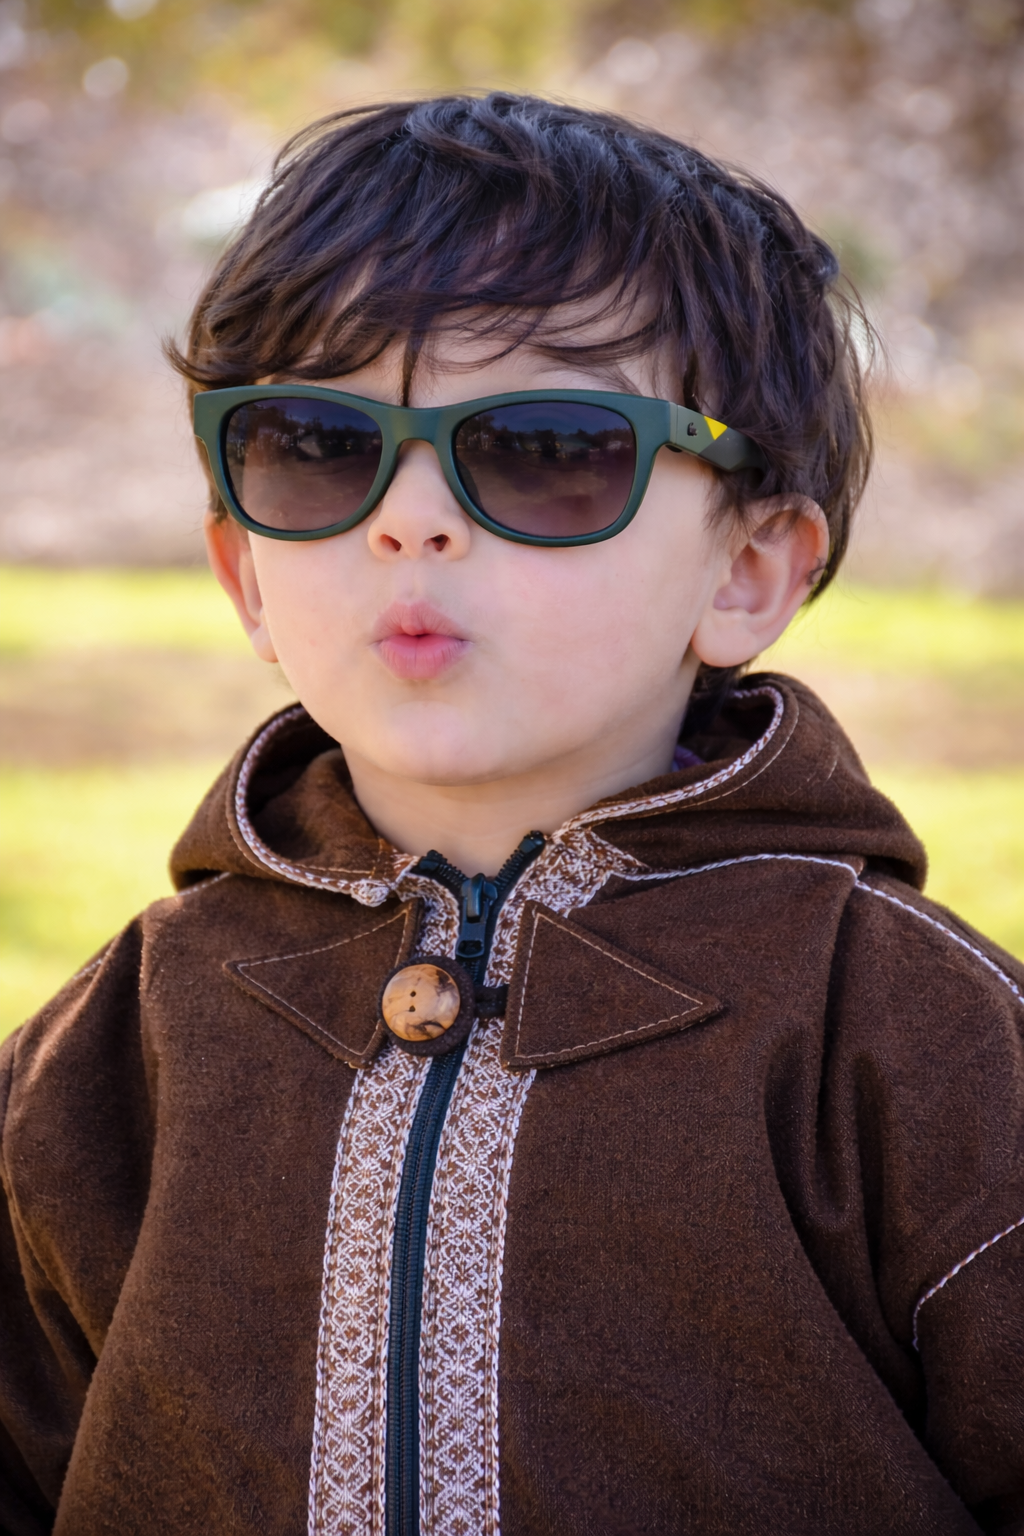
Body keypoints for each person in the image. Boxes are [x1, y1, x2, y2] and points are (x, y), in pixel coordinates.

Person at [1, 93, 1021, 1536]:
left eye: (546, 446)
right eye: (318, 443)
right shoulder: (114, 1050)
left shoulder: (919, 1041)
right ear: (243, 574)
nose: (407, 519)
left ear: (747, 570)